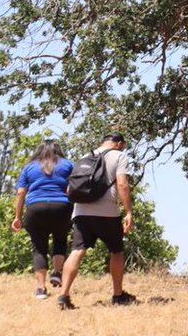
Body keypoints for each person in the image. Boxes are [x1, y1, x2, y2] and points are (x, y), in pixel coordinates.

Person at [58, 132, 136, 310]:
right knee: (116, 251)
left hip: (81, 211)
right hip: (107, 212)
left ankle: (64, 295)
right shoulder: (119, 155)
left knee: (77, 250)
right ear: (118, 143)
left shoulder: (86, 156)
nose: (123, 148)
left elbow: (71, 187)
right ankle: (118, 295)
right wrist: (129, 211)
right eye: (123, 145)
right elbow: (122, 184)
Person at [12, 139, 74, 300]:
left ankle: (41, 289)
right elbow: (72, 188)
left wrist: (17, 217)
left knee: (39, 248)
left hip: (35, 208)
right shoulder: (67, 165)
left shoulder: (29, 167)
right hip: (62, 207)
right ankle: (57, 273)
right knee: (60, 241)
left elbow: (20, 193)